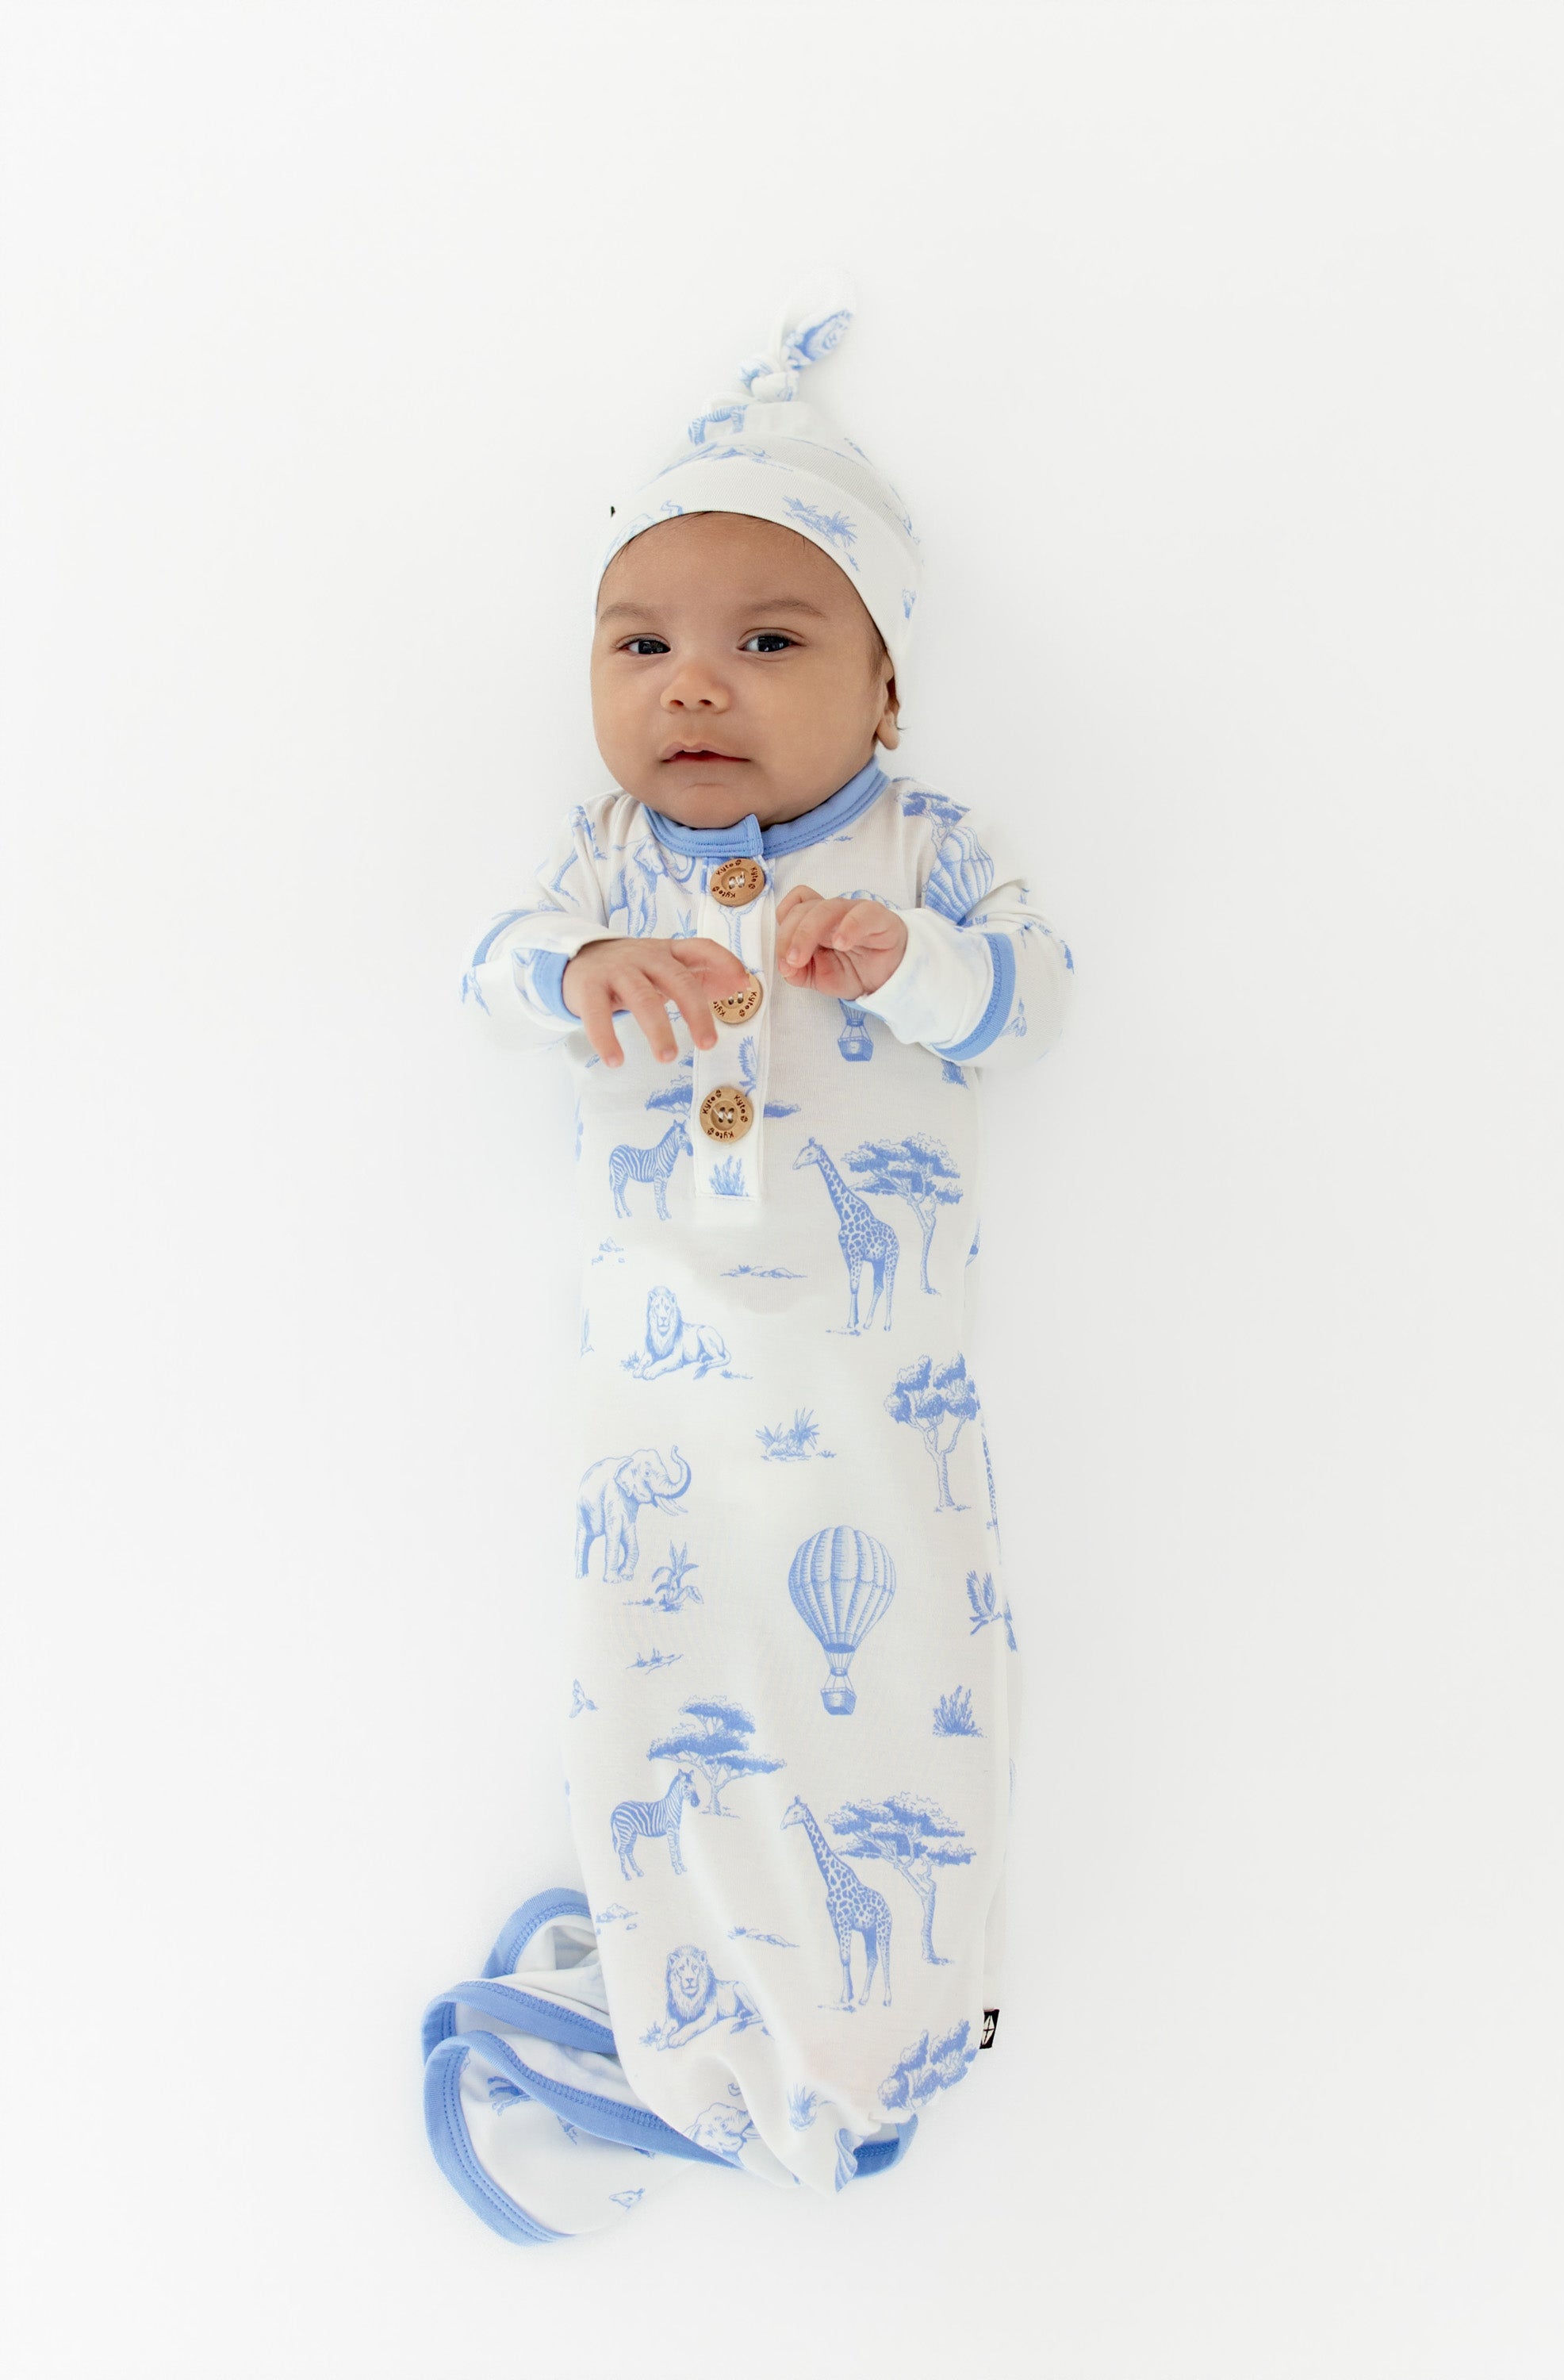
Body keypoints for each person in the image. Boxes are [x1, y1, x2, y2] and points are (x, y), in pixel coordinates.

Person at [421, 287, 1076, 2240]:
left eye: (763, 642)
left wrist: (915, 967)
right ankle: (674, 1994)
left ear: (882, 700)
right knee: (655, 1678)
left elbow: (1031, 1004)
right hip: (656, 1391)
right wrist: (580, 971)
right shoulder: (603, 861)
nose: (688, 688)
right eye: (640, 645)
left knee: (893, 1678)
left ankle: (868, 2024)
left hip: (877, 1394)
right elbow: (488, 974)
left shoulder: (925, 853)